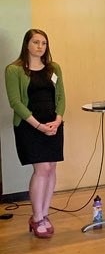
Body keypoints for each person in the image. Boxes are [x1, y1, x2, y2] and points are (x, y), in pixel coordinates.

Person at [4, 29, 65, 238]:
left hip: (53, 125)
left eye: (44, 43)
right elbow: (15, 102)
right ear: (27, 44)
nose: (40, 47)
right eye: (36, 42)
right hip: (30, 125)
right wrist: (39, 126)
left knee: (51, 169)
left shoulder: (53, 68)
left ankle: (45, 214)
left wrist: (57, 120)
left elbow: (61, 97)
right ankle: (37, 217)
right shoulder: (14, 70)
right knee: (42, 169)